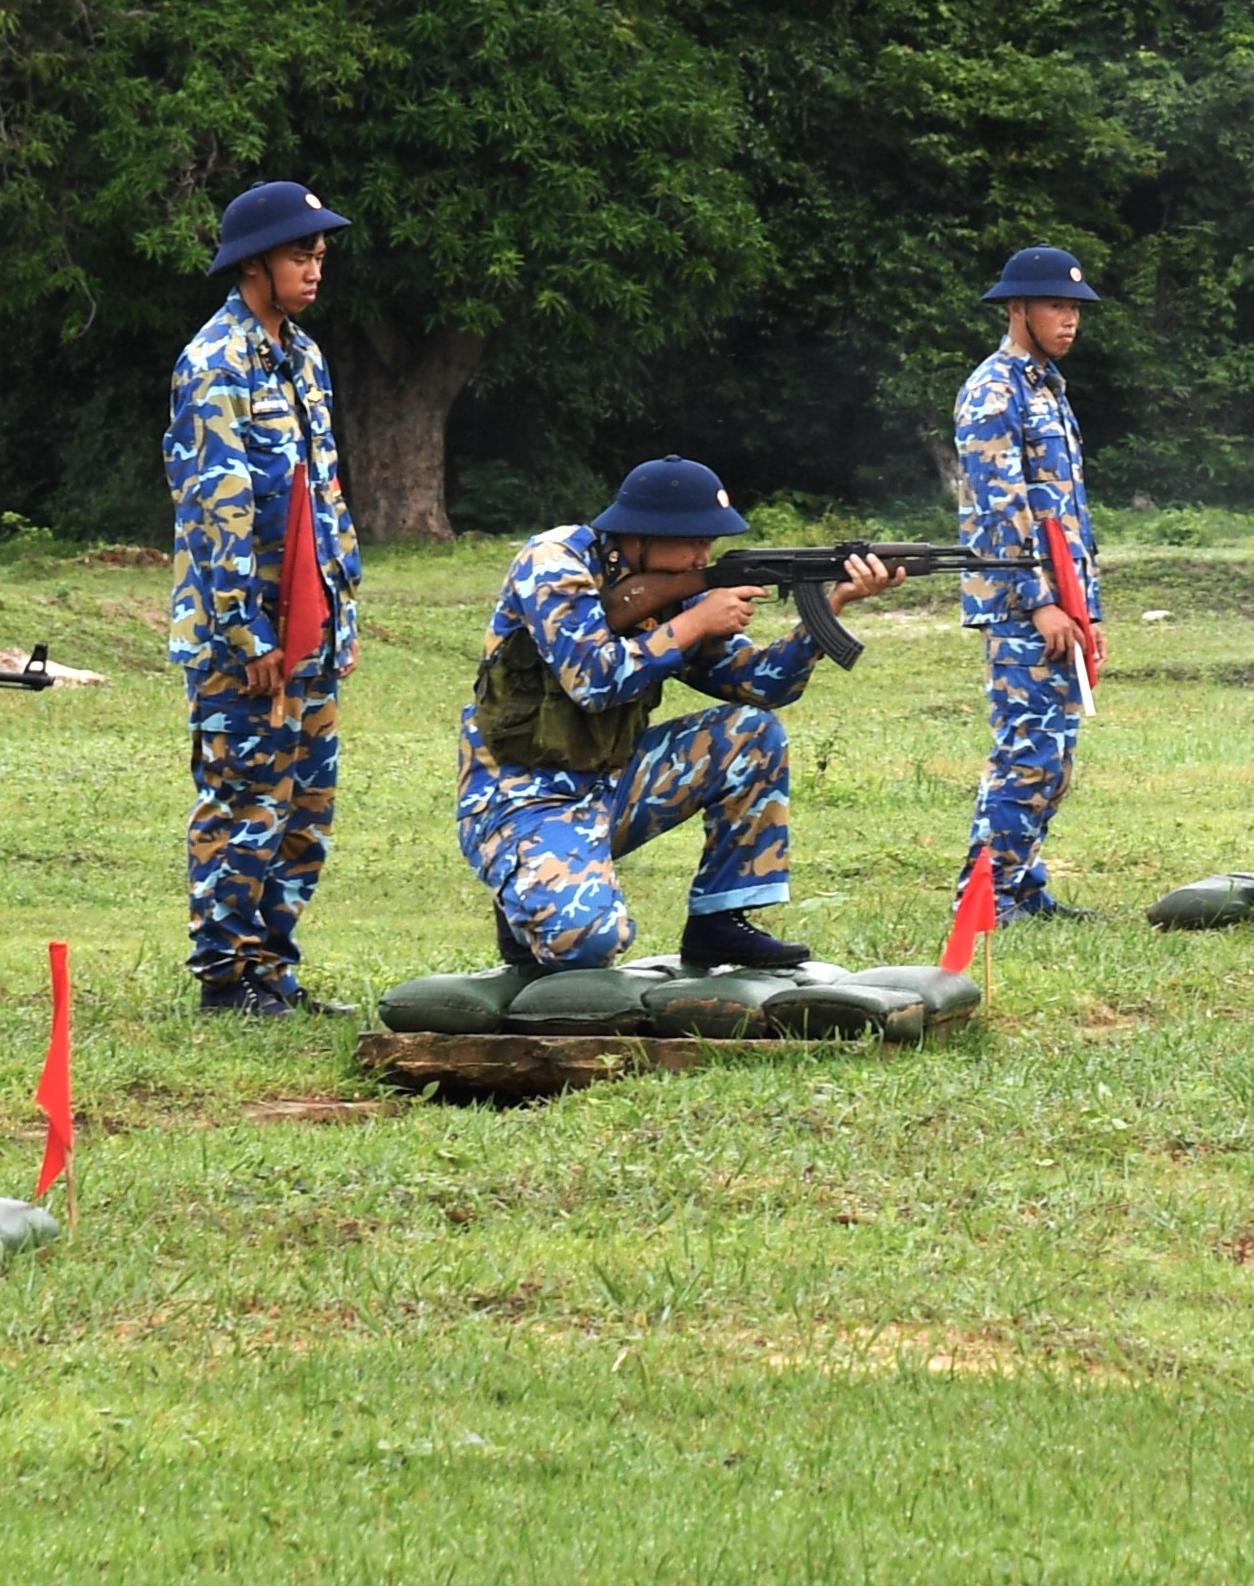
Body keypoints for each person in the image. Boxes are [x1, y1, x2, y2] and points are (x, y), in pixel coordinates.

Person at [462, 460, 898, 975]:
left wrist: (834, 604)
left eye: (711, 544)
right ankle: (524, 898)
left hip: (615, 780)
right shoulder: (554, 563)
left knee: (751, 735)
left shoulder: (679, 592)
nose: (704, 556)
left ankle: (719, 922)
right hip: (524, 796)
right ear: (642, 533)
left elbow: (761, 685)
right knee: (588, 942)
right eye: (693, 541)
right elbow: (593, 681)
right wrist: (694, 622)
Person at [169, 182, 366, 1016]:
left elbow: (322, 498)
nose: (314, 268)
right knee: (247, 798)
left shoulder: (303, 357)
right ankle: (225, 977)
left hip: (311, 627)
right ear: (254, 262)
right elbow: (218, 513)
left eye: (320, 254)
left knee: (306, 808)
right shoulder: (214, 363)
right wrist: (249, 637)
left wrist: (342, 613)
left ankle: (272, 969)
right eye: (299, 253)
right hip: (243, 637)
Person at [955, 245, 1106, 922]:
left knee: (1055, 759)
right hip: (1022, 606)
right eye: (1055, 306)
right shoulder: (995, 389)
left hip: (1062, 602)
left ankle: (1022, 887)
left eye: (1074, 308)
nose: (1069, 319)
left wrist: (1088, 609)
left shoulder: (1047, 385)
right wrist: (1041, 601)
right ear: (1017, 308)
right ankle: (984, 898)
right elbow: (1002, 507)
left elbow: (1066, 514)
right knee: (1025, 753)